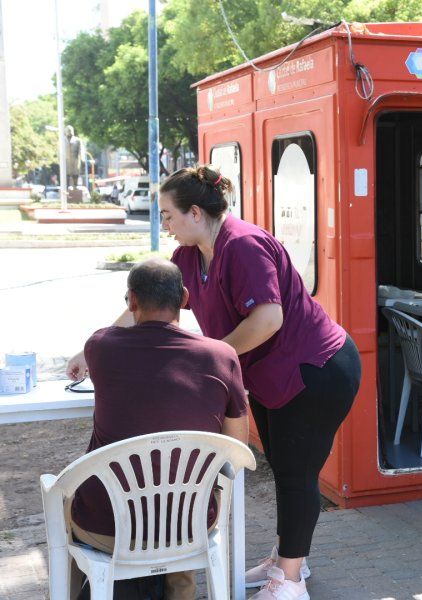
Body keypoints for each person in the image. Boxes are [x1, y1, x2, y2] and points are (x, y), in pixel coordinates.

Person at [156, 165, 359, 600]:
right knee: (284, 468)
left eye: (168, 215)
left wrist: (213, 357)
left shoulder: (243, 245)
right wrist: (105, 340)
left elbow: (268, 319)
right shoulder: (191, 255)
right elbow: (157, 301)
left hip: (317, 370)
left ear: (194, 212)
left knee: (295, 473)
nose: (165, 225)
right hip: (272, 374)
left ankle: (289, 580)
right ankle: (288, 558)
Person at [66, 258, 249, 599]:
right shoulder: (220, 355)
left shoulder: (101, 347)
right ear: (183, 298)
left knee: (66, 497)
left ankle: (89, 588)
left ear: (131, 301)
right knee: (181, 500)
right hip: (189, 525)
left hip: (108, 527)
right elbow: (235, 449)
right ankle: (179, 586)